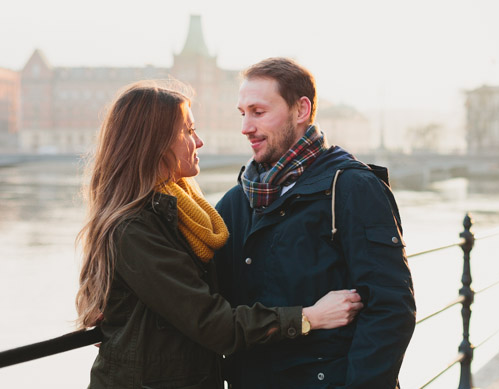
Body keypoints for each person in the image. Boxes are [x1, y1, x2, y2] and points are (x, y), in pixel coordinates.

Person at [74, 81, 363, 389]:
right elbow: (213, 323)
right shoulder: (135, 227)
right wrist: (311, 317)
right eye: (187, 131)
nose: (198, 142)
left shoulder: (181, 212)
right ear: (154, 143)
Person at [215, 58, 416, 389]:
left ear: (301, 109)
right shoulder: (238, 201)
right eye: (243, 113)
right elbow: (206, 306)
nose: (245, 127)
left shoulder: (352, 188)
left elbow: (391, 311)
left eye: (258, 112)